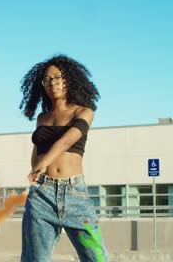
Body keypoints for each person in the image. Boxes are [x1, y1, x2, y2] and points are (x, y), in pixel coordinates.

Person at [19, 54, 109, 262]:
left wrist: (44, 162)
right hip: (42, 195)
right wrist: (36, 171)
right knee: (36, 259)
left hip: (75, 193)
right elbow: (37, 150)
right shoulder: (42, 118)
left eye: (57, 77)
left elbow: (68, 140)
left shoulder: (84, 112)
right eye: (47, 79)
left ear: (68, 78)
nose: (52, 83)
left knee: (97, 257)